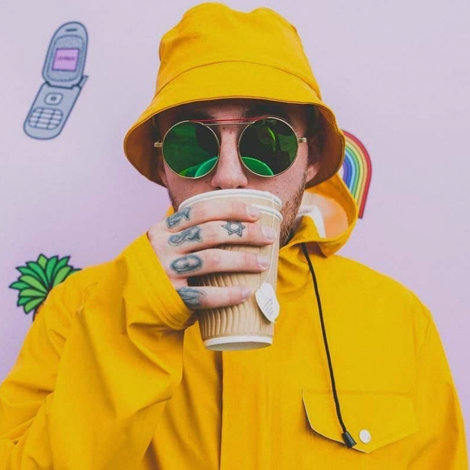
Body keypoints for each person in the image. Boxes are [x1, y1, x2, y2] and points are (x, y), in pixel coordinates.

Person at [0, 3, 468, 469]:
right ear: (163, 165)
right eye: (191, 143)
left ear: (311, 159)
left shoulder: (399, 320)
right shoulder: (78, 309)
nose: (229, 176)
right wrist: (135, 317)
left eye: (267, 141)